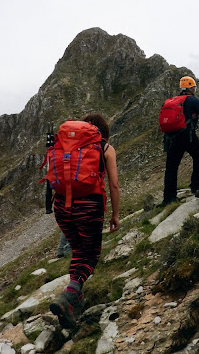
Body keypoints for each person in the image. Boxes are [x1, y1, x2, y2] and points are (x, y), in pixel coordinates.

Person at [49, 113, 120, 329]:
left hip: (61, 205)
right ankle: (69, 294)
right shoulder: (105, 148)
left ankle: (73, 305)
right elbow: (114, 185)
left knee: (78, 251)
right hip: (89, 205)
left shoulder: (66, 146)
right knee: (91, 255)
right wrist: (115, 215)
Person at [162, 76, 199, 204]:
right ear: (190, 88)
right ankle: (196, 186)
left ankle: (168, 198)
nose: (195, 89)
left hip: (171, 138)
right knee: (198, 154)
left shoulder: (172, 101)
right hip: (187, 136)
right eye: (194, 87)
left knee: (171, 167)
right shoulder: (193, 100)